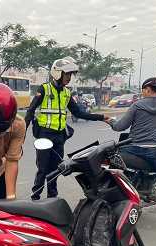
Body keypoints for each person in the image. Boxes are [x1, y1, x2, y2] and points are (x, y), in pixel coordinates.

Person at [25, 56, 111, 200]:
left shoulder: (66, 93)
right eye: (67, 74)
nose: (69, 77)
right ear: (58, 73)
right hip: (44, 135)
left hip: (59, 137)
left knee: (55, 168)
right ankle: (35, 197)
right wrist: (22, 131)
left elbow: (79, 113)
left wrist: (101, 117)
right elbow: (30, 111)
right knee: (42, 168)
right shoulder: (44, 89)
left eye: (70, 74)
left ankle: (52, 197)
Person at [108, 77, 156, 228]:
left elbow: (120, 127)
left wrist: (110, 121)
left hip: (132, 149)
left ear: (148, 89)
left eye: (144, 90)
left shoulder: (137, 106)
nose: (143, 92)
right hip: (154, 151)